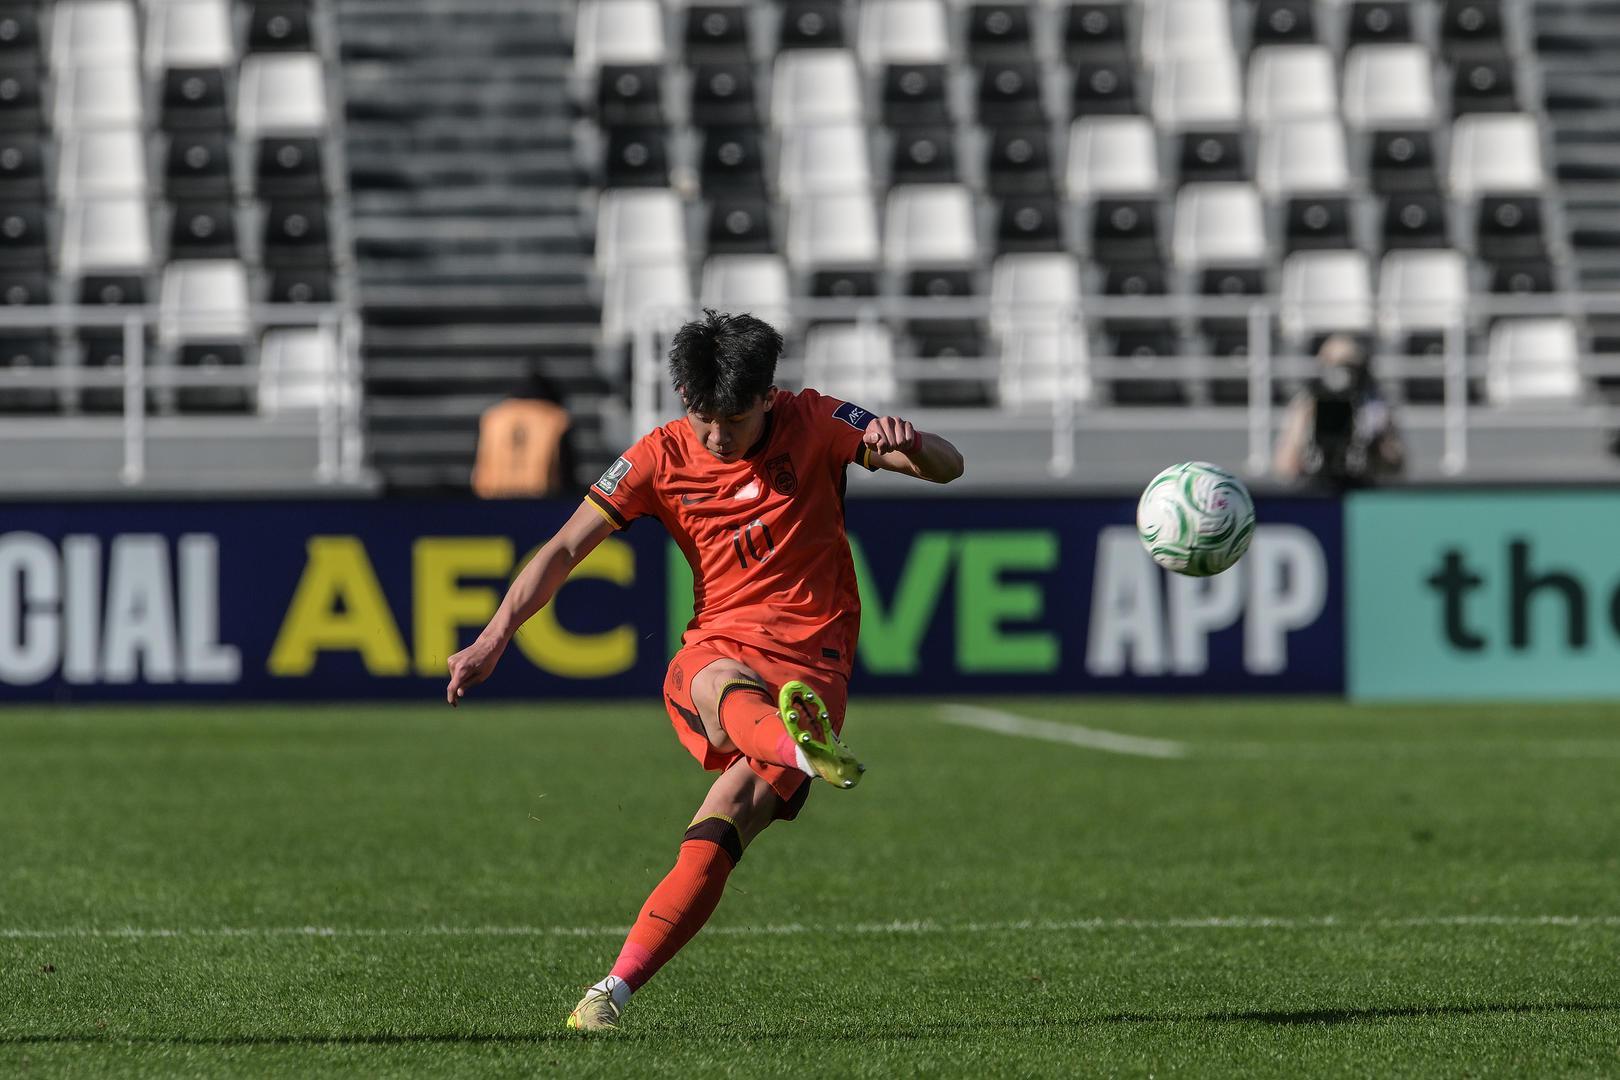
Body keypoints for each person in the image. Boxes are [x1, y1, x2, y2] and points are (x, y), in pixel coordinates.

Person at [443, 310, 965, 1031]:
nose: (717, 435)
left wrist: (910, 443)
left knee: (717, 815)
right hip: (729, 649)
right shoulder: (657, 456)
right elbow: (564, 547)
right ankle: (612, 993)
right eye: (703, 417)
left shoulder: (816, 420)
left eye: (735, 419)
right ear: (685, 396)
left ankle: (790, 744)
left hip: (811, 667)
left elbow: (946, 465)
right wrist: (495, 635)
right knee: (717, 702)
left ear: (769, 397)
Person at [1273, 334, 1405, 489]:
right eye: (1332, 364)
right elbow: (1284, 467)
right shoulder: (1305, 403)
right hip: (1315, 488)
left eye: (1348, 365)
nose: (1341, 374)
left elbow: (1396, 465)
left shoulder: (1373, 405)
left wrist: (1380, 437)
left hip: (1361, 487)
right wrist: (1301, 428)